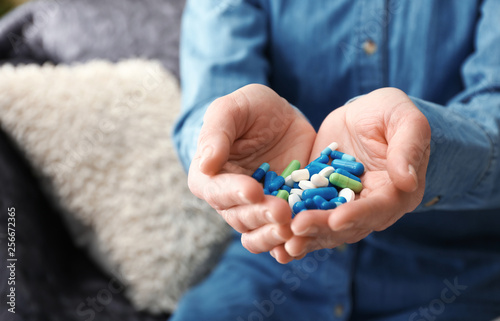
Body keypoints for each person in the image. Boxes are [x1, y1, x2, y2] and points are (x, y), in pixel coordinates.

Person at [171, 1, 500, 320]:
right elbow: (208, 102)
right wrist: (216, 141)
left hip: (451, 275)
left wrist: (425, 146)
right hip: (270, 265)